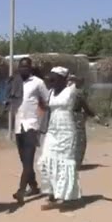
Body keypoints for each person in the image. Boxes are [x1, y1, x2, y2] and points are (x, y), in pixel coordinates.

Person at [38, 67, 82, 210]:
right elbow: (47, 107)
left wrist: (71, 79)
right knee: (45, 159)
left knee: (64, 162)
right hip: (52, 129)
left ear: (63, 79)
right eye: (50, 77)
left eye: (54, 77)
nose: (50, 79)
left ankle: (64, 196)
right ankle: (51, 193)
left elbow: (82, 81)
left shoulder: (71, 90)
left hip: (67, 130)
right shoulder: (50, 92)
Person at [11, 57, 50, 205]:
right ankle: (33, 186)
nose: (23, 70)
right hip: (18, 125)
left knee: (28, 160)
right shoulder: (15, 82)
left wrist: (41, 122)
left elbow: (47, 103)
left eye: (26, 67)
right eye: (20, 67)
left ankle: (21, 191)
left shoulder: (38, 83)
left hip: (32, 126)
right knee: (24, 160)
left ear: (30, 68)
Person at [69, 75, 99, 169]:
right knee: (79, 141)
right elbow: (85, 106)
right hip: (75, 118)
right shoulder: (77, 93)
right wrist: (93, 115)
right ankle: (76, 163)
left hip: (64, 119)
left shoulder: (59, 92)